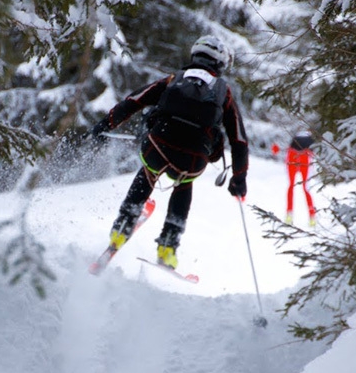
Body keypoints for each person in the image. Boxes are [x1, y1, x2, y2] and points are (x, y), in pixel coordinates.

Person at [88, 35, 249, 269]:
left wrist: (104, 125)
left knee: (148, 173)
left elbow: (133, 101)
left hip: (158, 148)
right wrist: (238, 179)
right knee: (183, 183)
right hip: (192, 160)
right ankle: (168, 248)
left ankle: (121, 229)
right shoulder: (224, 92)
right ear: (221, 63)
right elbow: (239, 140)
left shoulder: (174, 79)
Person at [271, 131, 316, 225]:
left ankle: (289, 215)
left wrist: (276, 149)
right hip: (305, 158)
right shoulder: (309, 145)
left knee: (291, 186)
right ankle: (312, 216)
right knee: (306, 188)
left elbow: (281, 149)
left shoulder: (292, 145)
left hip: (292, 156)